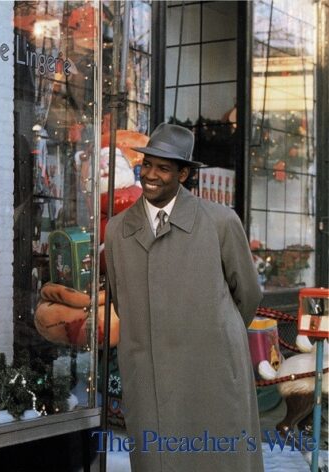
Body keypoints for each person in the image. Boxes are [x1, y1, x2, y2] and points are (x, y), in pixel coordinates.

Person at [104, 123, 263, 472]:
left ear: (184, 174)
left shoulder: (220, 222)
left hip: (211, 372)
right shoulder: (117, 230)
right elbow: (120, 299)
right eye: (147, 165)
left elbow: (247, 295)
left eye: (163, 168)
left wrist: (214, 334)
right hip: (147, 375)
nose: (151, 175)